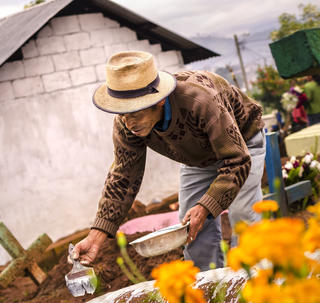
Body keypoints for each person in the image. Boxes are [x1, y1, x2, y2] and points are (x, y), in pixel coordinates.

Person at [72, 51, 266, 271]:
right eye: (122, 113)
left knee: (244, 214)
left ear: (159, 100)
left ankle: (257, 285)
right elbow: (123, 179)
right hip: (198, 161)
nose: (128, 122)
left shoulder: (199, 100)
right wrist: (96, 236)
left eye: (134, 112)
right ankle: (207, 294)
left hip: (241, 144)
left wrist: (206, 205)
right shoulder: (126, 126)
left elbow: (237, 161)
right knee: (191, 228)